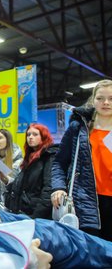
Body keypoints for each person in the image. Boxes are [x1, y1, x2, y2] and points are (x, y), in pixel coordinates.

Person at [51, 79, 112, 241]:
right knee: (90, 253)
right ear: (93, 100)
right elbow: (59, 162)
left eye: (111, 98)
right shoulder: (79, 128)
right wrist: (58, 187)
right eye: (100, 98)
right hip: (86, 201)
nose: (106, 102)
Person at [4, 124, 58, 219]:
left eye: (35, 134)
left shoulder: (49, 157)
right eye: (28, 135)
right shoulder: (29, 158)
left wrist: (36, 216)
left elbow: (48, 189)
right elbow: (19, 186)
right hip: (22, 214)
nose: (30, 137)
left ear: (43, 136)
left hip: (35, 216)